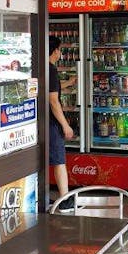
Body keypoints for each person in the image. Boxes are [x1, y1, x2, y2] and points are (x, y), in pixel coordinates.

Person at [49, 36, 77, 211]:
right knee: (59, 160)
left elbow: (54, 88)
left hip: (43, 122)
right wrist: (65, 125)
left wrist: (70, 82)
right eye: (59, 49)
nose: (60, 53)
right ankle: (65, 200)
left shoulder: (43, 67)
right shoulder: (50, 70)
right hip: (52, 123)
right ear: (55, 51)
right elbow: (53, 100)